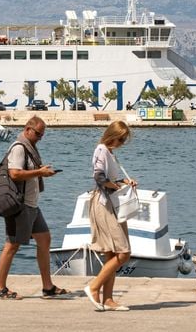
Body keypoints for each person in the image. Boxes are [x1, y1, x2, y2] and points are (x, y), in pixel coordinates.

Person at [0, 116, 68, 300]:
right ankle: (0, 288)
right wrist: (40, 172)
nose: (40, 137)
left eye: (42, 135)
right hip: (20, 205)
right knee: (12, 245)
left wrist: (41, 170)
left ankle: (48, 287)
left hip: (32, 205)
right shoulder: (19, 147)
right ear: (28, 129)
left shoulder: (30, 148)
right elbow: (15, 173)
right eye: (37, 133)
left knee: (44, 240)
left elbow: (25, 171)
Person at [83, 120, 137, 311]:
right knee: (124, 253)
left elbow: (110, 177)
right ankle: (93, 286)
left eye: (124, 140)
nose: (122, 143)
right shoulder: (101, 150)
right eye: (120, 139)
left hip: (112, 204)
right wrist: (115, 186)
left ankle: (108, 299)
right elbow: (98, 177)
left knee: (112, 255)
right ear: (112, 135)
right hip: (104, 204)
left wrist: (125, 181)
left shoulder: (110, 153)